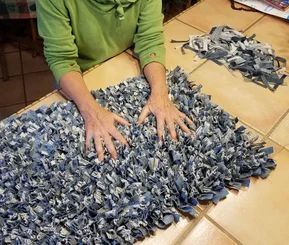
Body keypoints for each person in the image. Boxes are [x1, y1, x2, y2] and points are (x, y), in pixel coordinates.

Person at [36, 0, 194, 161]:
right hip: (79, 76)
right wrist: (91, 111)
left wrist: (160, 93)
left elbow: (150, 41)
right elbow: (62, 60)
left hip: (123, 64)